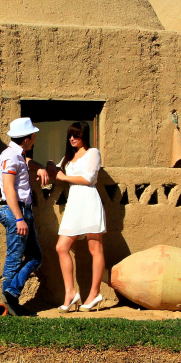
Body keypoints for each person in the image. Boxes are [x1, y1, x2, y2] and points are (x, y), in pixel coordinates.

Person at [48, 121, 106, 312]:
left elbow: (88, 178)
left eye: (77, 135)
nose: (72, 139)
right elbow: (55, 169)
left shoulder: (93, 153)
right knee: (61, 247)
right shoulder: (68, 157)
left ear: (84, 136)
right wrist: (44, 165)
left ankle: (94, 293)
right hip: (74, 204)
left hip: (89, 200)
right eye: (70, 135)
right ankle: (71, 292)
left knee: (94, 248)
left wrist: (64, 178)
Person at [0, 117, 50, 316]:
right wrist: (19, 218)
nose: (35, 137)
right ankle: (10, 304)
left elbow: (26, 161)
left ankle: (11, 294)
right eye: (33, 135)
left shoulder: (17, 155)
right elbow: (9, 188)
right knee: (15, 259)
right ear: (26, 139)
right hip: (15, 211)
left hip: (22, 211)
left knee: (35, 256)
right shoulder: (10, 157)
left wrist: (40, 167)